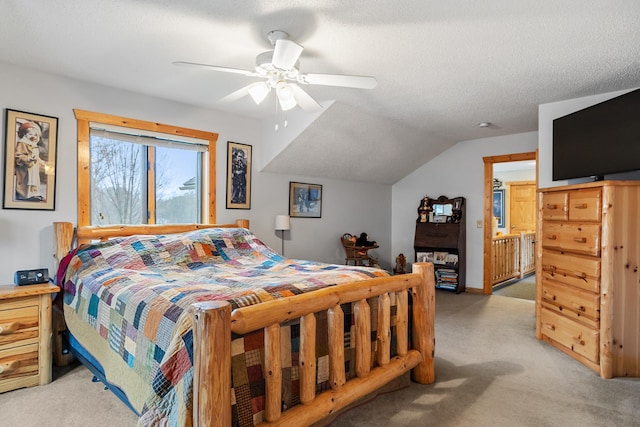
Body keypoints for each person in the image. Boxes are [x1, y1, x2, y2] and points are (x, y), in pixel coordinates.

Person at [14, 121, 45, 201]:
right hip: (25, 168)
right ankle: (24, 195)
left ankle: (33, 194)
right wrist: (27, 158)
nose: (33, 137)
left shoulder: (34, 145)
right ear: (25, 135)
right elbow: (18, 155)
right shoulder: (22, 143)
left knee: (34, 181)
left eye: (35, 135)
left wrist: (43, 163)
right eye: (30, 134)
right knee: (25, 182)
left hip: (33, 168)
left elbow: (37, 157)